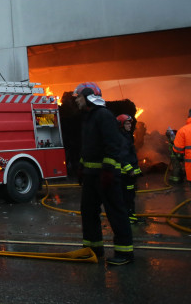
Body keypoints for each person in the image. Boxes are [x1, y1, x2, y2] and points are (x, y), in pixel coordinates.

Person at [73, 82, 134, 266]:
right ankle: (93, 250)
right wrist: (82, 167)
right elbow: (88, 148)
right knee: (88, 212)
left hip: (105, 176)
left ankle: (125, 253)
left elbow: (112, 145)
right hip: (91, 176)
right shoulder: (88, 117)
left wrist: (108, 171)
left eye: (79, 98)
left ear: (88, 97)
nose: (77, 101)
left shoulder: (104, 116)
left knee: (115, 212)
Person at [116, 114, 142, 224]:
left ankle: (130, 216)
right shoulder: (122, 138)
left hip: (128, 175)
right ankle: (129, 218)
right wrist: (130, 170)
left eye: (130, 123)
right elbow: (122, 156)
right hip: (125, 175)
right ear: (121, 125)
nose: (130, 125)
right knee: (127, 196)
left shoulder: (126, 136)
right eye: (127, 123)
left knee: (130, 195)